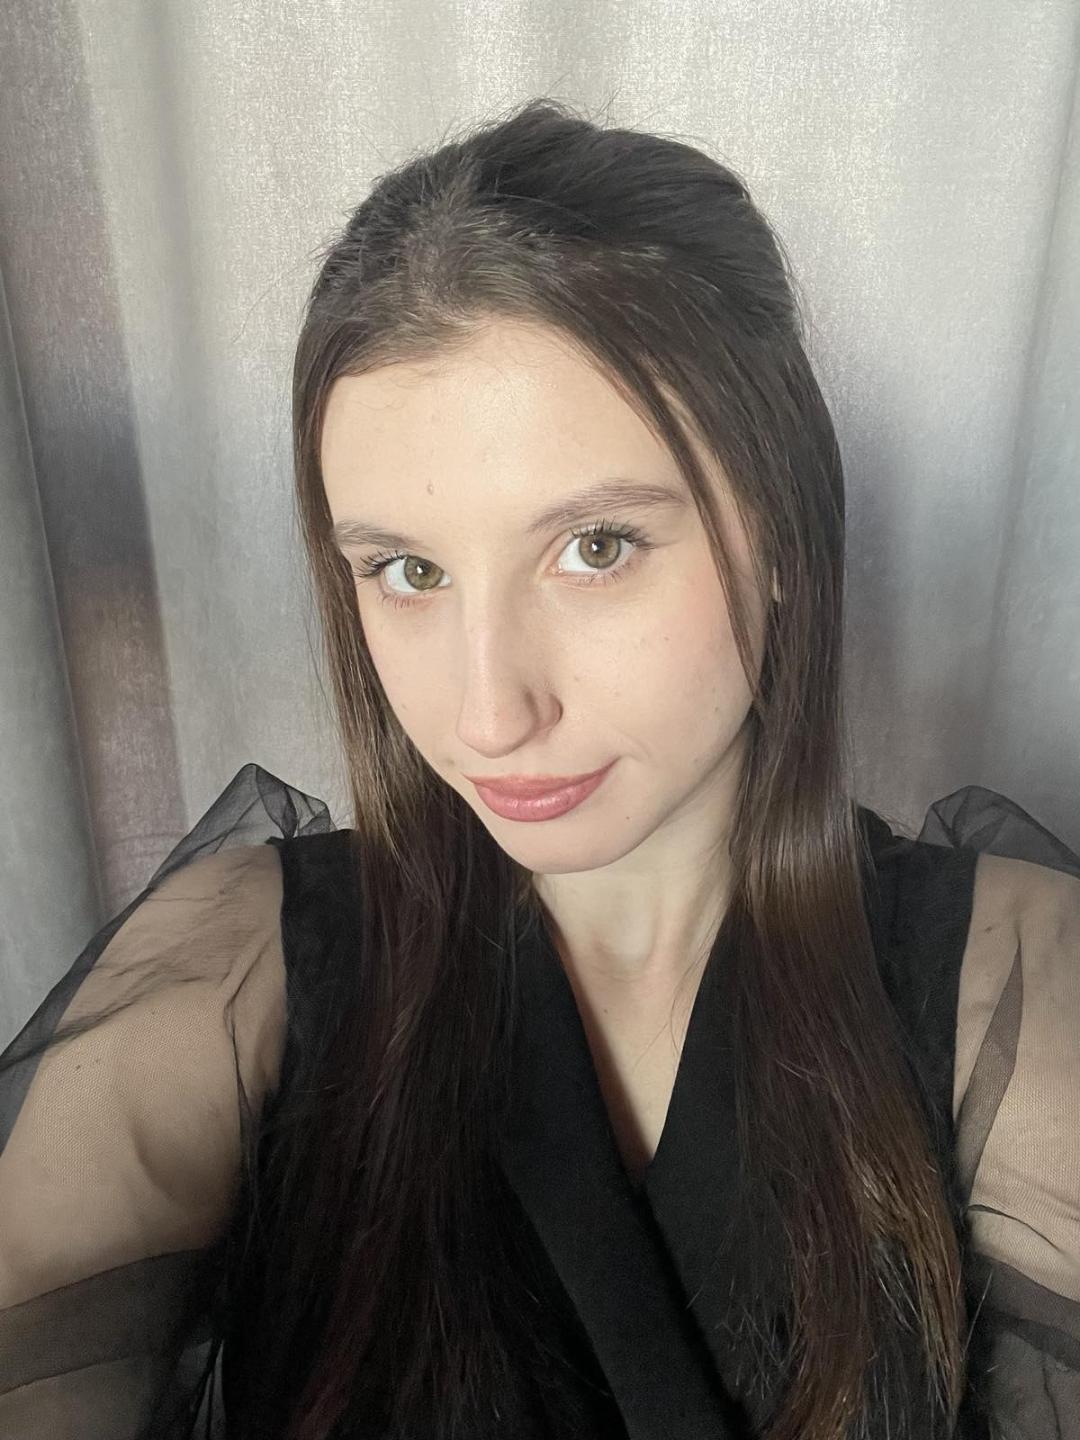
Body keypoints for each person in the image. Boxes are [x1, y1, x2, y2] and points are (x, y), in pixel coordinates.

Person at [0, 97, 1077, 1440]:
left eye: (596, 549)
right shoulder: (238, 977)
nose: (489, 713)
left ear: (784, 534)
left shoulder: (1011, 992)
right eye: (407, 571)